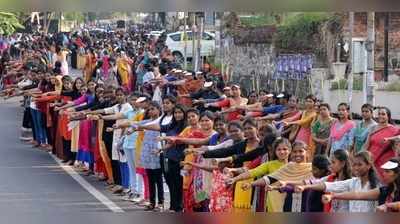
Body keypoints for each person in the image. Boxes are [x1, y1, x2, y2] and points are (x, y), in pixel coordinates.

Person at [296, 151, 379, 212]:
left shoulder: (377, 185)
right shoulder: (353, 182)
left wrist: (333, 196)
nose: (356, 168)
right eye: (354, 164)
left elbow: (357, 195)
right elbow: (328, 185)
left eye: (360, 165)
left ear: (369, 165)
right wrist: (305, 187)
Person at [225, 137, 292, 212]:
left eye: (285, 149)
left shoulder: (294, 165)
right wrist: (234, 179)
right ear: (275, 151)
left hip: (291, 199)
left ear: (290, 150)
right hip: (273, 202)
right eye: (279, 149)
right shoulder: (270, 165)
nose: (282, 152)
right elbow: (252, 172)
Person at [321, 158, 400, 212]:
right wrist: (333, 196)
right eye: (384, 171)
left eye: (387, 171)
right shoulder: (384, 190)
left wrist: (388, 206)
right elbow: (358, 194)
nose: (383, 173)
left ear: (397, 173)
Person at [363, 107, 399, 179]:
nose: (380, 116)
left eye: (383, 114)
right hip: (371, 161)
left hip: (385, 162)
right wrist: (362, 157)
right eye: (379, 114)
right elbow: (366, 145)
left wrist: (389, 139)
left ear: (388, 116)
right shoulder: (373, 128)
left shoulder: (394, 129)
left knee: (384, 183)